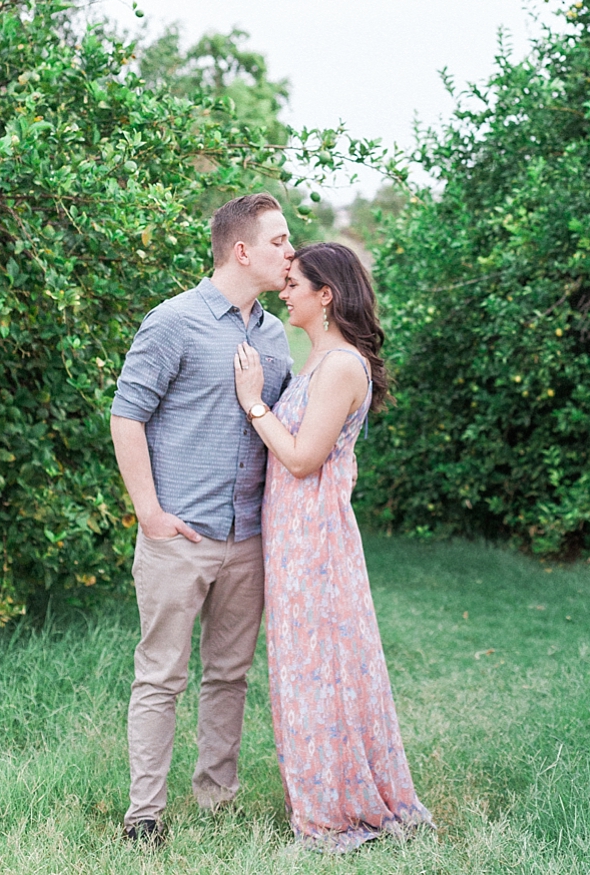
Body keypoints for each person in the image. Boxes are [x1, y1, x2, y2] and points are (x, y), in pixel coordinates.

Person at [233, 241, 433, 853]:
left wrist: (254, 403)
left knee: (321, 675)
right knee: (307, 673)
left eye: (294, 282)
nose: (283, 290)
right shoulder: (319, 362)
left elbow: (300, 459)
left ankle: (335, 810)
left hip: (316, 543)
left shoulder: (343, 365)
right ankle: (324, 796)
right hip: (295, 540)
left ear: (327, 294)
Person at [110, 192, 294, 845]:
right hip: (178, 536)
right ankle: (144, 814)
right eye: (277, 241)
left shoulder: (276, 335)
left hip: (247, 537)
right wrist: (150, 513)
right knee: (161, 672)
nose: (288, 252)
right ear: (240, 250)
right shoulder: (173, 322)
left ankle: (217, 799)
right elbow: (126, 414)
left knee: (229, 674)